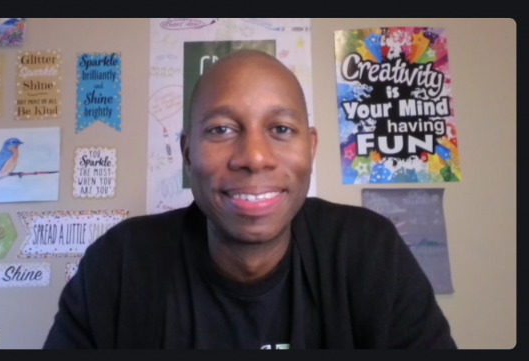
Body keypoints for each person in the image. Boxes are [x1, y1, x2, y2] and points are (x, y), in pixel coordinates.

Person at [42, 50, 455, 349]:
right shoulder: (119, 264)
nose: (254, 158)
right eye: (221, 130)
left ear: (310, 149)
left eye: (280, 129)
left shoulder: (368, 251)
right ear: (188, 155)